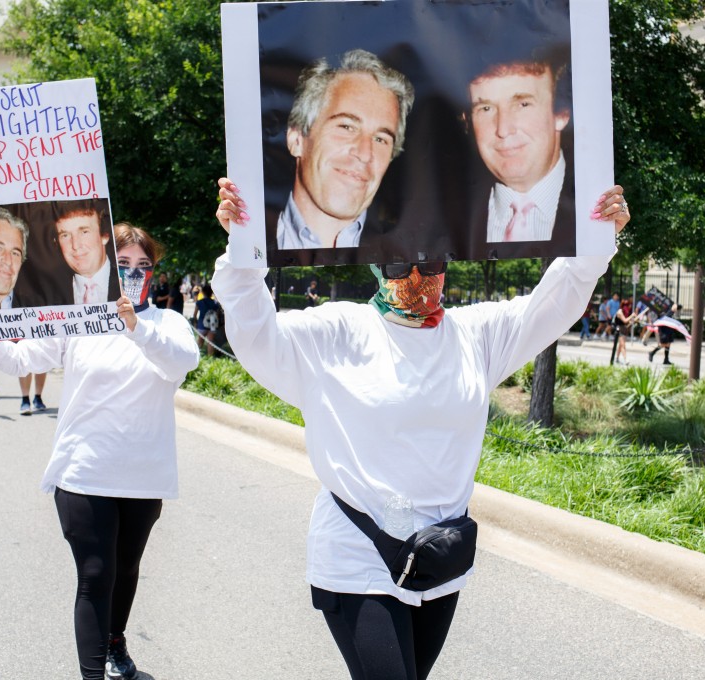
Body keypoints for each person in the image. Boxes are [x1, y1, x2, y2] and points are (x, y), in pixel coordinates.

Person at [214, 177, 630, 680]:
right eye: (397, 262)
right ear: (373, 263)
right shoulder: (335, 333)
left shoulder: (476, 335)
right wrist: (245, 243)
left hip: (438, 557)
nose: (416, 275)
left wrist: (596, 235)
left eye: (430, 261)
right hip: (359, 553)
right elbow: (255, 333)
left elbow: (556, 302)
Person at [0, 223, 199, 680]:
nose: (132, 273)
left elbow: (180, 363)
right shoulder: (77, 318)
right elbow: (21, 359)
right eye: (124, 263)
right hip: (83, 472)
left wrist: (134, 327)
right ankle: (92, 674)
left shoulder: (167, 324)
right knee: (95, 575)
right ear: (108, 266)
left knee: (125, 571)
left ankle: (115, 643)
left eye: (143, 266)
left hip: (143, 476)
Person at [278, 49, 415, 250]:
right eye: (347, 127)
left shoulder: (411, 254)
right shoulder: (257, 243)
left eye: (380, 139)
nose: (365, 154)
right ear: (297, 138)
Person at [466, 53, 573, 247]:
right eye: (486, 108)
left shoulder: (593, 206)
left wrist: (610, 231)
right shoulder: (440, 220)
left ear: (561, 113)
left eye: (523, 104)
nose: (503, 129)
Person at [54, 201, 120, 305]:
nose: (75, 245)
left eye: (84, 232)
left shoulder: (127, 284)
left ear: (105, 236)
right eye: (65, 235)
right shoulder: (45, 295)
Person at [195, 283, 221, 357]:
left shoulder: (199, 302)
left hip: (201, 324)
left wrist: (195, 322)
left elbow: (194, 314)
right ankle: (210, 358)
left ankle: (197, 357)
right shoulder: (215, 303)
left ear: (202, 292)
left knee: (200, 341)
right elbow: (218, 315)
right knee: (210, 342)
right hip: (212, 325)